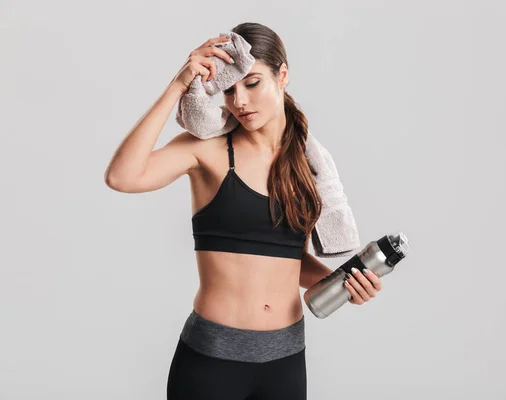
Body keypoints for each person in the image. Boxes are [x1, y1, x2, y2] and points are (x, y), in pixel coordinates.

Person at [104, 22, 382, 400]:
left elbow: (289, 261)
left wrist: (342, 283)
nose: (240, 102)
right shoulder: (209, 150)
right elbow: (122, 176)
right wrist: (178, 83)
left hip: (286, 360)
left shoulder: (307, 163)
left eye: (252, 84)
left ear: (282, 76)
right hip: (212, 360)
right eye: (229, 89)